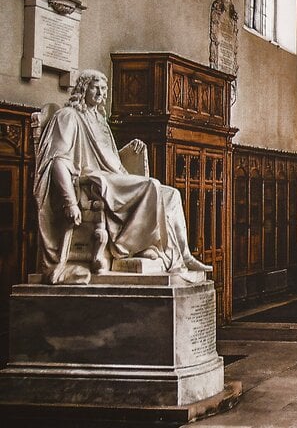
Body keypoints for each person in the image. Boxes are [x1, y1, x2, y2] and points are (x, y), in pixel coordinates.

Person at [34, 70, 212, 284]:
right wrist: (69, 202)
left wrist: (129, 149)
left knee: (171, 195)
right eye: (94, 87)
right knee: (151, 186)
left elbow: (110, 160)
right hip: (92, 182)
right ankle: (131, 247)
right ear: (82, 88)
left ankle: (183, 255)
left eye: (103, 89)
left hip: (110, 177)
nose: (100, 93)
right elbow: (58, 161)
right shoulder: (68, 116)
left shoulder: (100, 121)